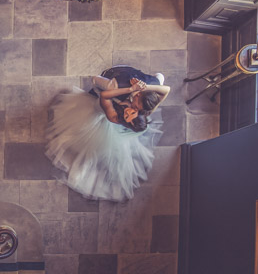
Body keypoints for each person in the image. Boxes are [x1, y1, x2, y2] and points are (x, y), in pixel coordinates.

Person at [45, 65, 170, 202]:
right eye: (135, 109)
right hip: (138, 91)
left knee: (90, 145)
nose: (132, 110)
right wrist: (145, 87)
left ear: (126, 121)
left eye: (133, 112)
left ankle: (83, 168)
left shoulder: (114, 116)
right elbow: (166, 90)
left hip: (100, 109)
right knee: (158, 80)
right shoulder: (144, 111)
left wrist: (131, 89)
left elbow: (104, 94)